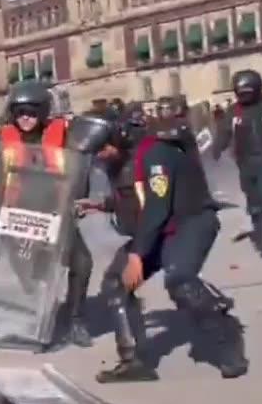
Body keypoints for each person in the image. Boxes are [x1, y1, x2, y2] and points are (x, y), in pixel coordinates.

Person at [82, 104, 249, 381]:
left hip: (190, 222)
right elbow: (135, 198)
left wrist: (137, 255)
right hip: (157, 229)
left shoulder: (154, 153)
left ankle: (227, 345)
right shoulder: (119, 161)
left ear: (117, 136)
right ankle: (134, 361)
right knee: (116, 284)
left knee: (180, 281)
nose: (98, 156)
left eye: (101, 148)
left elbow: (157, 207)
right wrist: (101, 205)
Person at [0, 81, 93, 347]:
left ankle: (75, 320)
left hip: (55, 212)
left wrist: (79, 196)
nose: (25, 118)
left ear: (42, 112)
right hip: (21, 217)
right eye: (19, 113)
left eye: (30, 112)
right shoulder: (2, 142)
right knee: (34, 273)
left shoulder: (63, 136)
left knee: (82, 263)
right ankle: (39, 324)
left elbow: (79, 167)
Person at [212, 69, 262, 256]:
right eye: (241, 94)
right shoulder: (233, 111)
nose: (244, 98)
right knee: (254, 200)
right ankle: (259, 233)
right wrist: (217, 149)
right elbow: (224, 132)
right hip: (245, 162)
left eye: (248, 93)